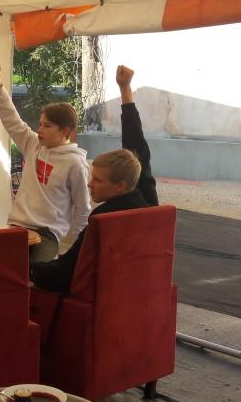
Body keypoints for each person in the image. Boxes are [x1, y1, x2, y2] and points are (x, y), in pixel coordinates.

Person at [31, 65, 158, 292]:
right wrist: (125, 90)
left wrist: (28, 269)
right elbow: (137, 147)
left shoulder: (102, 219)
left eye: (98, 180)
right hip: (141, 289)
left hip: (95, 296)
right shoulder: (148, 204)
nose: (89, 184)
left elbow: (63, 274)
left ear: (120, 186)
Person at [0, 62, 91, 263]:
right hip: (16, 225)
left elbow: (82, 209)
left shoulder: (75, 164)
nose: (40, 129)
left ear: (65, 131)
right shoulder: (33, 144)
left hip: (48, 234)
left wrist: (71, 250)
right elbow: (12, 120)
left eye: (47, 126)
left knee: (36, 271)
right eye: (40, 124)